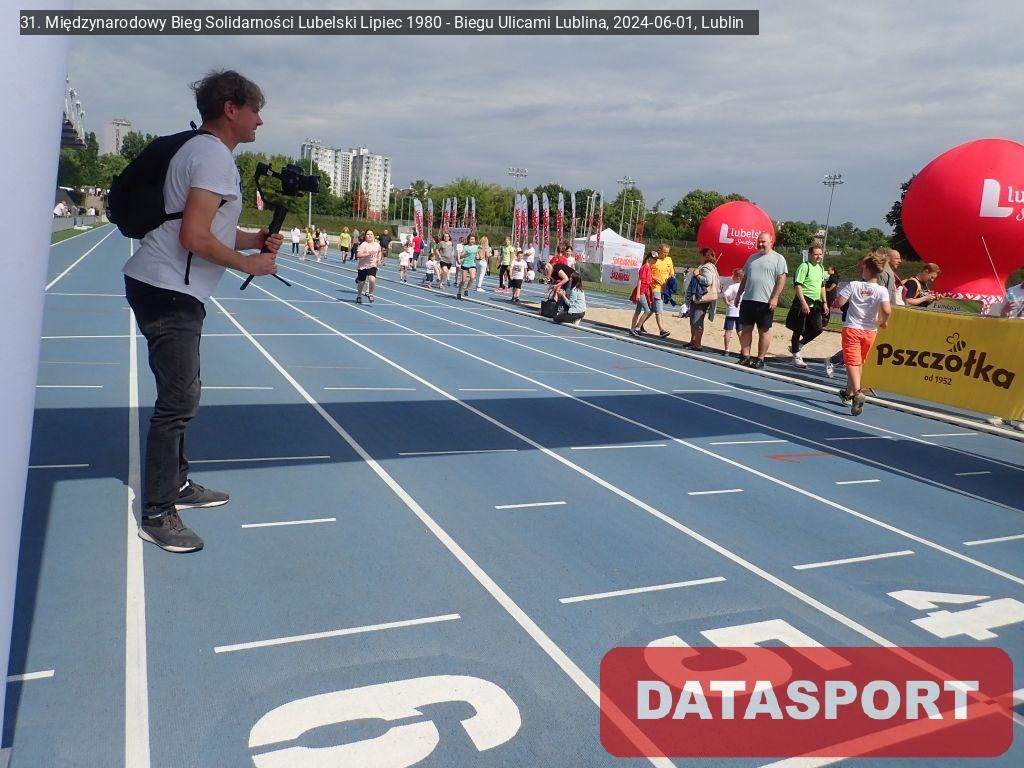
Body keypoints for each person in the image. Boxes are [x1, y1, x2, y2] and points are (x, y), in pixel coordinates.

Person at [122, 69, 280, 553]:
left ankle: (178, 484)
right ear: (231, 109)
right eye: (255, 111)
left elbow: (200, 226)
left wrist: (252, 239)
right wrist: (249, 263)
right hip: (168, 289)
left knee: (181, 395)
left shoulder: (201, 150)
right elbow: (193, 237)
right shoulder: (212, 156)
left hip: (164, 284)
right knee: (178, 401)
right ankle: (157, 512)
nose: (260, 121)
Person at [834, 250, 891, 416]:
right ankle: (849, 393)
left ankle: (857, 392)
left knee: (851, 363)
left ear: (865, 268)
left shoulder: (854, 285)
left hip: (853, 328)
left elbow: (839, 303)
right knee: (859, 362)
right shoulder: (881, 290)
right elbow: (887, 310)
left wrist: (839, 301)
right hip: (870, 331)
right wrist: (884, 321)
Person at [734, 232, 788, 368]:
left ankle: (760, 359)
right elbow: (745, 278)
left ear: (771, 242)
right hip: (748, 299)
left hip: (765, 301)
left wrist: (775, 297)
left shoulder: (778, 259)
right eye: (759, 241)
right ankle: (745, 356)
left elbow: (781, 279)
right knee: (746, 328)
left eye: (763, 241)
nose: (760, 244)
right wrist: (739, 294)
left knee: (763, 330)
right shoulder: (752, 258)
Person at [786, 243, 829, 368]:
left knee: (818, 329)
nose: (818, 257)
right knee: (798, 329)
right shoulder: (804, 267)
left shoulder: (820, 268)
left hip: (815, 304)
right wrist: (803, 303)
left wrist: (825, 302)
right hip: (803, 302)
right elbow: (798, 285)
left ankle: (798, 345)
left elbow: (822, 286)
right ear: (810, 254)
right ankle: (796, 356)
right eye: (816, 254)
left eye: (820, 254)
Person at [684, 248, 720, 351]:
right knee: (693, 320)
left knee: (697, 321)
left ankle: (698, 344)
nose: (698, 257)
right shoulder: (705, 266)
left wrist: (697, 275)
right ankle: (693, 341)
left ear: (705, 256)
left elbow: (707, 281)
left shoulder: (707, 267)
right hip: (697, 297)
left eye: (700, 255)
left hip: (702, 298)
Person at [648, 243, 675, 337]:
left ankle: (640, 324)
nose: (666, 254)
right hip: (655, 288)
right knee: (659, 308)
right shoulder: (655, 260)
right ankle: (661, 329)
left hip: (664, 289)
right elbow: (647, 272)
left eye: (667, 252)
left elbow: (672, 273)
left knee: (652, 309)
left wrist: (672, 281)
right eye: (664, 252)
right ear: (659, 250)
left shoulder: (669, 260)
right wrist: (655, 278)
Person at [629, 252, 657, 336]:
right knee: (647, 310)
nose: (655, 260)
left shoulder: (649, 268)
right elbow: (640, 280)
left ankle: (632, 329)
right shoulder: (644, 267)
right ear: (649, 258)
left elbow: (648, 279)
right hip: (641, 291)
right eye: (654, 258)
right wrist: (638, 293)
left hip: (645, 291)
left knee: (637, 311)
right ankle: (637, 328)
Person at [721, 268, 744, 357]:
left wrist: (727, 302)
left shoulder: (732, 286)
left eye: (733, 276)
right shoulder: (745, 287)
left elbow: (724, 295)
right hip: (740, 311)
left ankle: (726, 349)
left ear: (738, 277)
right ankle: (743, 349)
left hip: (731, 310)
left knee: (728, 330)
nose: (732, 277)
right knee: (740, 331)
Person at [355, 229, 382, 303]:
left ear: (373, 236)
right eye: (368, 234)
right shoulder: (363, 245)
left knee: (372, 279)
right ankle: (359, 295)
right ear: (365, 236)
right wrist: (368, 253)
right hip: (363, 266)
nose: (370, 236)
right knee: (361, 283)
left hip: (372, 265)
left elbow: (379, 252)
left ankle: (371, 294)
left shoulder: (377, 245)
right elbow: (358, 255)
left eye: (371, 234)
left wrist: (379, 259)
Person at [458, 234, 479, 299]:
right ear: (469, 240)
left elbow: (478, 255)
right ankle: (459, 292)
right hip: (465, 264)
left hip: (472, 264)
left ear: (475, 240)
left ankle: (467, 289)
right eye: (471, 239)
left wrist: (478, 257)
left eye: (473, 239)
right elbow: (461, 256)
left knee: (472, 277)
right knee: (463, 280)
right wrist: (466, 253)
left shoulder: (476, 247)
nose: (472, 240)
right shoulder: (465, 247)